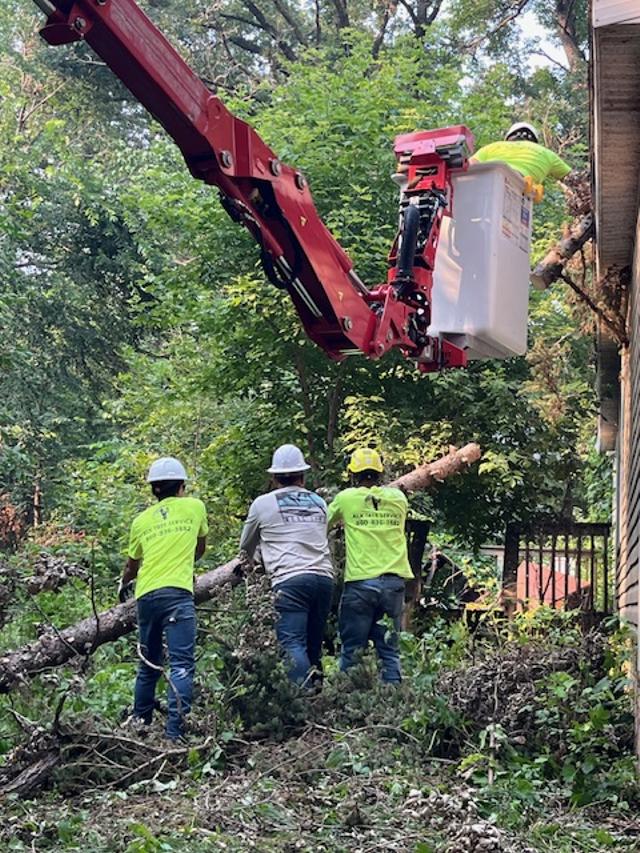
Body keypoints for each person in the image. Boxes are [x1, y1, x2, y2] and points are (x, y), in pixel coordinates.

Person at [120, 456, 208, 741]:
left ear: (153, 489)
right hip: (177, 595)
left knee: (148, 666)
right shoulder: (195, 507)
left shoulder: (140, 520)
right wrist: (184, 562)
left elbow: (132, 566)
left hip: (146, 596)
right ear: (182, 485)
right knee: (181, 665)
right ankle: (175, 734)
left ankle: (140, 727)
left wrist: (123, 585)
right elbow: (199, 548)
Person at [240, 444, 334, 687]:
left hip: (290, 580)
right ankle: (318, 696)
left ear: (273, 478)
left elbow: (245, 548)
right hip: (324, 578)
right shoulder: (319, 502)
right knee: (313, 643)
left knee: (291, 642)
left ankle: (301, 700)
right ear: (302, 476)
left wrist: (256, 566)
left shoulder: (262, 504)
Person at [328, 448, 412, 683]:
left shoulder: (346, 499)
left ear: (353, 475)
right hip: (393, 583)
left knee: (352, 650)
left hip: (360, 584)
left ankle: (345, 703)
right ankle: (394, 702)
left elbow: (322, 525)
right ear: (380, 473)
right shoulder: (399, 498)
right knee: (389, 652)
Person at [471, 122, 571, 185]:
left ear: (508, 137)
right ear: (534, 141)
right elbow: (573, 179)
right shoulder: (547, 153)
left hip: (486, 185)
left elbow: (468, 166)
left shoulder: (493, 146)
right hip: (521, 194)